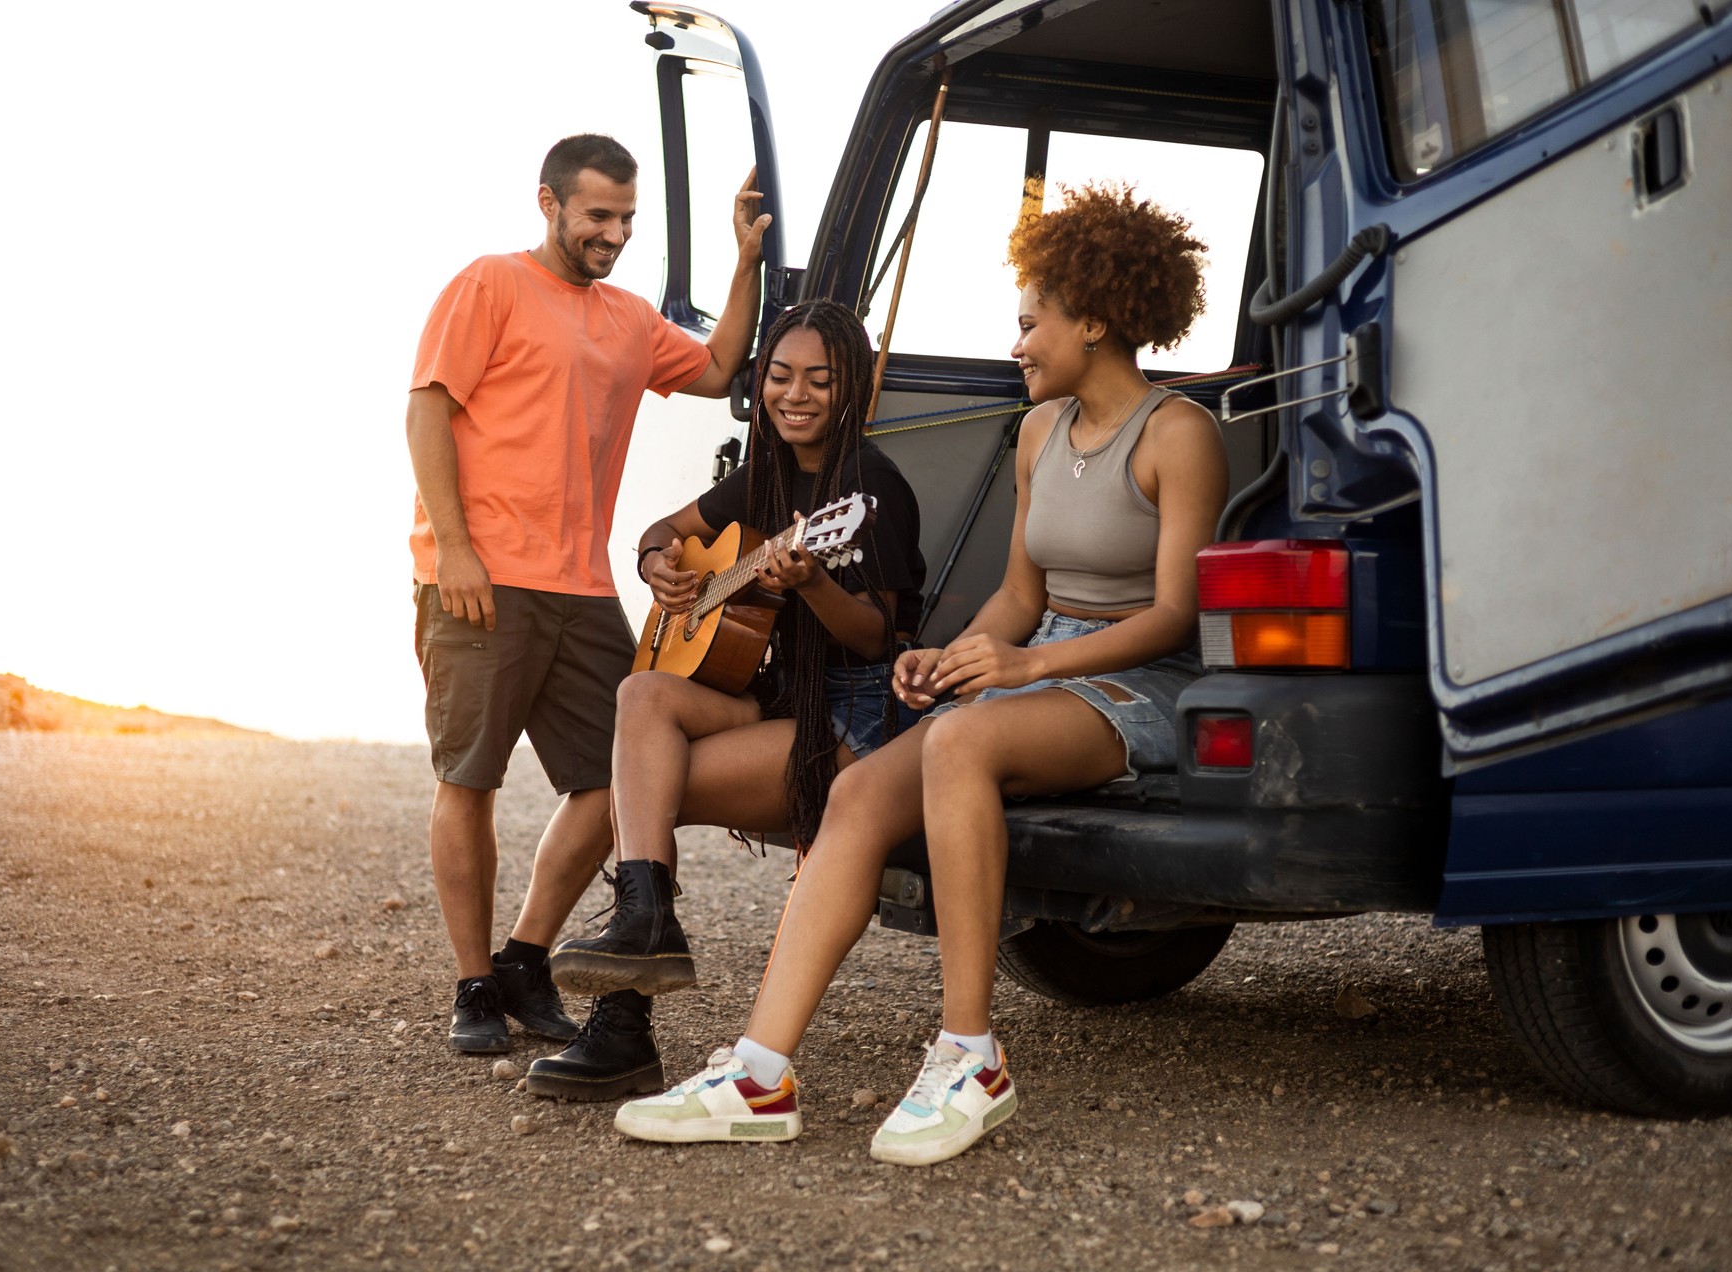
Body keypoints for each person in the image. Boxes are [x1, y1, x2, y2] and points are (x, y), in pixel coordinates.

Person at [611, 183, 1228, 1162]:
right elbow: (1019, 594)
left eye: (1031, 324)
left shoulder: (1178, 434)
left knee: (965, 741)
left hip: (1134, 676)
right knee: (857, 791)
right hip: (1042, 658)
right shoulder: (1037, 432)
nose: (1017, 345)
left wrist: (1026, 664)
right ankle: (761, 1073)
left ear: (1097, 319)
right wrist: (950, 656)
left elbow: (1175, 613)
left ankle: (970, 1054)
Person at [405, 133, 770, 1057]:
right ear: (551, 204)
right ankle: (472, 986)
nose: (613, 233)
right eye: (598, 215)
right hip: (482, 578)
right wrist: (455, 549)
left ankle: (525, 958)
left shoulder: (629, 318)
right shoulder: (488, 284)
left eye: (626, 219)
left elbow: (722, 368)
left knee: (616, 782)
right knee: (469, 780)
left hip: (582, 584)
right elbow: (428, 409)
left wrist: (745, 258)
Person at [526, 300, 925, 1100]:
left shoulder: (869, 489)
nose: (796, 395)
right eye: (779, 376)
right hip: (780, 698)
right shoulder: (765, 471)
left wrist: (809, 581)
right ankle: (646, 929)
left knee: (645, 789)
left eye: (820, 378)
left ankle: (623, 1026)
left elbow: (878, 639)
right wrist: (655, 566)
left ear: (852, 388)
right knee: (643, 694)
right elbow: (661, 529)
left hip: (849, 722)